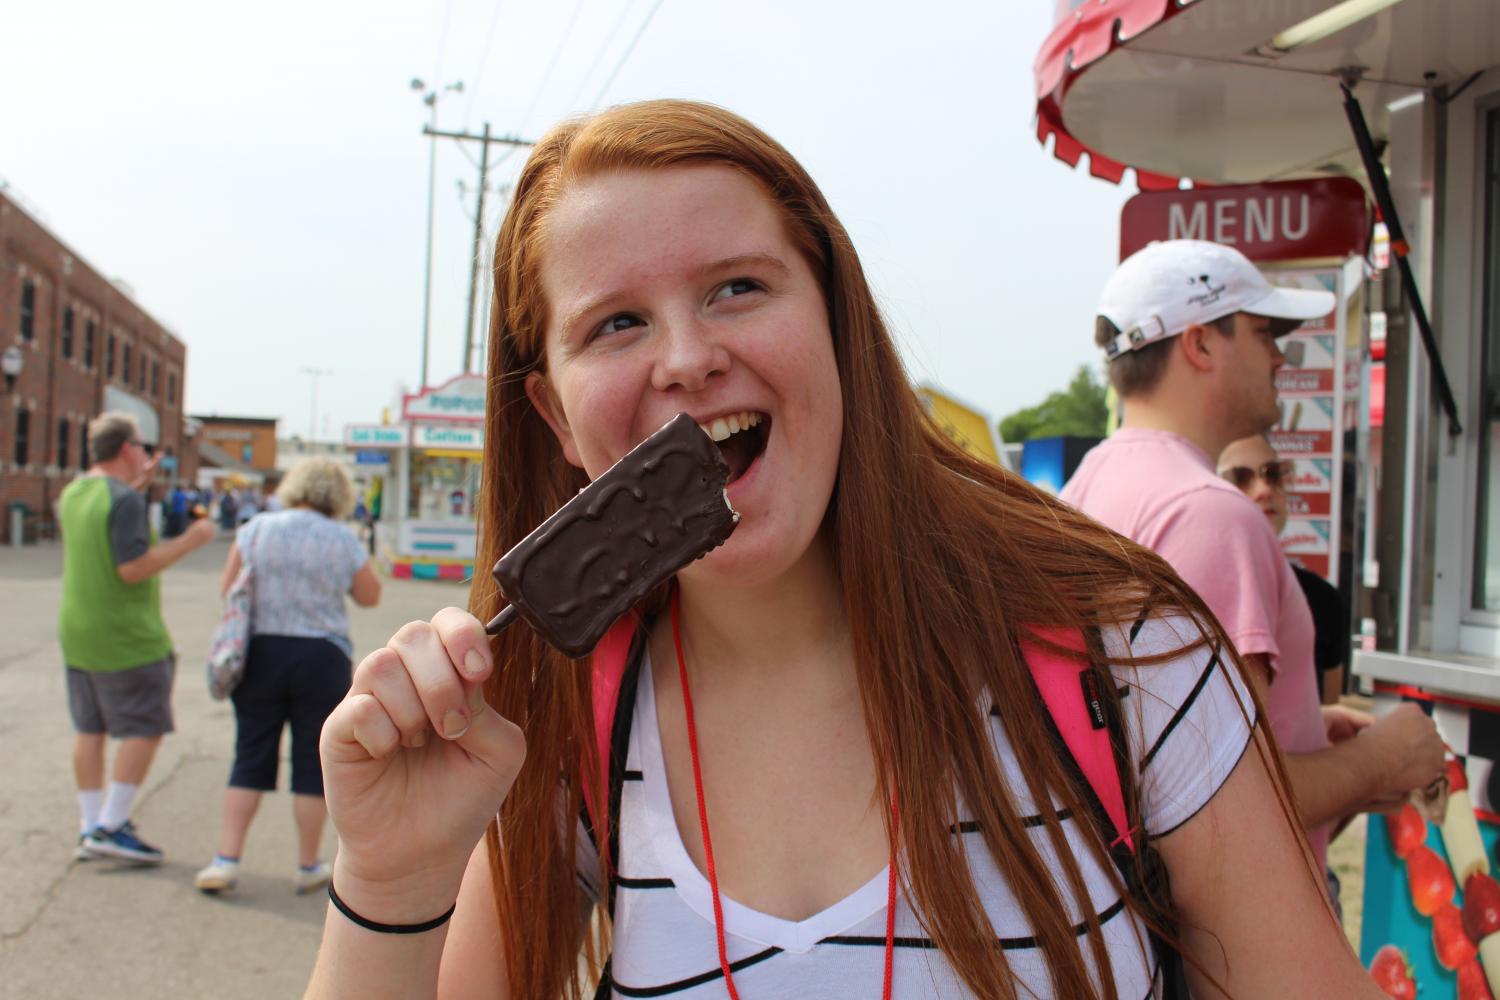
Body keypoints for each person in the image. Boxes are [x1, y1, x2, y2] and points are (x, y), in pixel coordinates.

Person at [306, 103, 1391, 1000]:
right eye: (616, 325)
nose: (688, 358)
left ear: (835, 321)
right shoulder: (556, 716)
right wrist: (390, 877)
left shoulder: (1125, 650)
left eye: (738, 286)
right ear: (553, 414)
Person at [1060, 239, 1445, 910]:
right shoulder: (1210, 514)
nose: (1281, 357)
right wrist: (1388, 757)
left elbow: (1147, 747)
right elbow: (1235, 802)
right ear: (1201, 344)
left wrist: (1303, 727)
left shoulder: (1088, 485)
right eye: (1266, 332)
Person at [194, 457, 382, 895]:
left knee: (250, 753)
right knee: (312, 763)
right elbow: (370, 596)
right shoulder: (343, 538)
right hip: (321, 657)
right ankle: (307, 863)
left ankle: (226, 858)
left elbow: (228, 589)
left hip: (260, 651)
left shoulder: (257, 528)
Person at [58, 412, 217, 863]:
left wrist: (138, 486)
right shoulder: (123, 500)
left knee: (89, 727)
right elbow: (131, 567)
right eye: (142, 447)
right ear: (128, 449)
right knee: (145, 725)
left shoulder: (75, 492)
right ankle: (112, 823)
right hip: (125, 635)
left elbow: (108, 526)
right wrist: (194, 539)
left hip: (77, 628)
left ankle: (90, 823)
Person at [1219, 434, 1348, 706]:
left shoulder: (1324, 599)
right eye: (1241, 477)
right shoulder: (1194, 593)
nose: (1264, 489)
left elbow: (1328, 717)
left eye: (1273, 474)